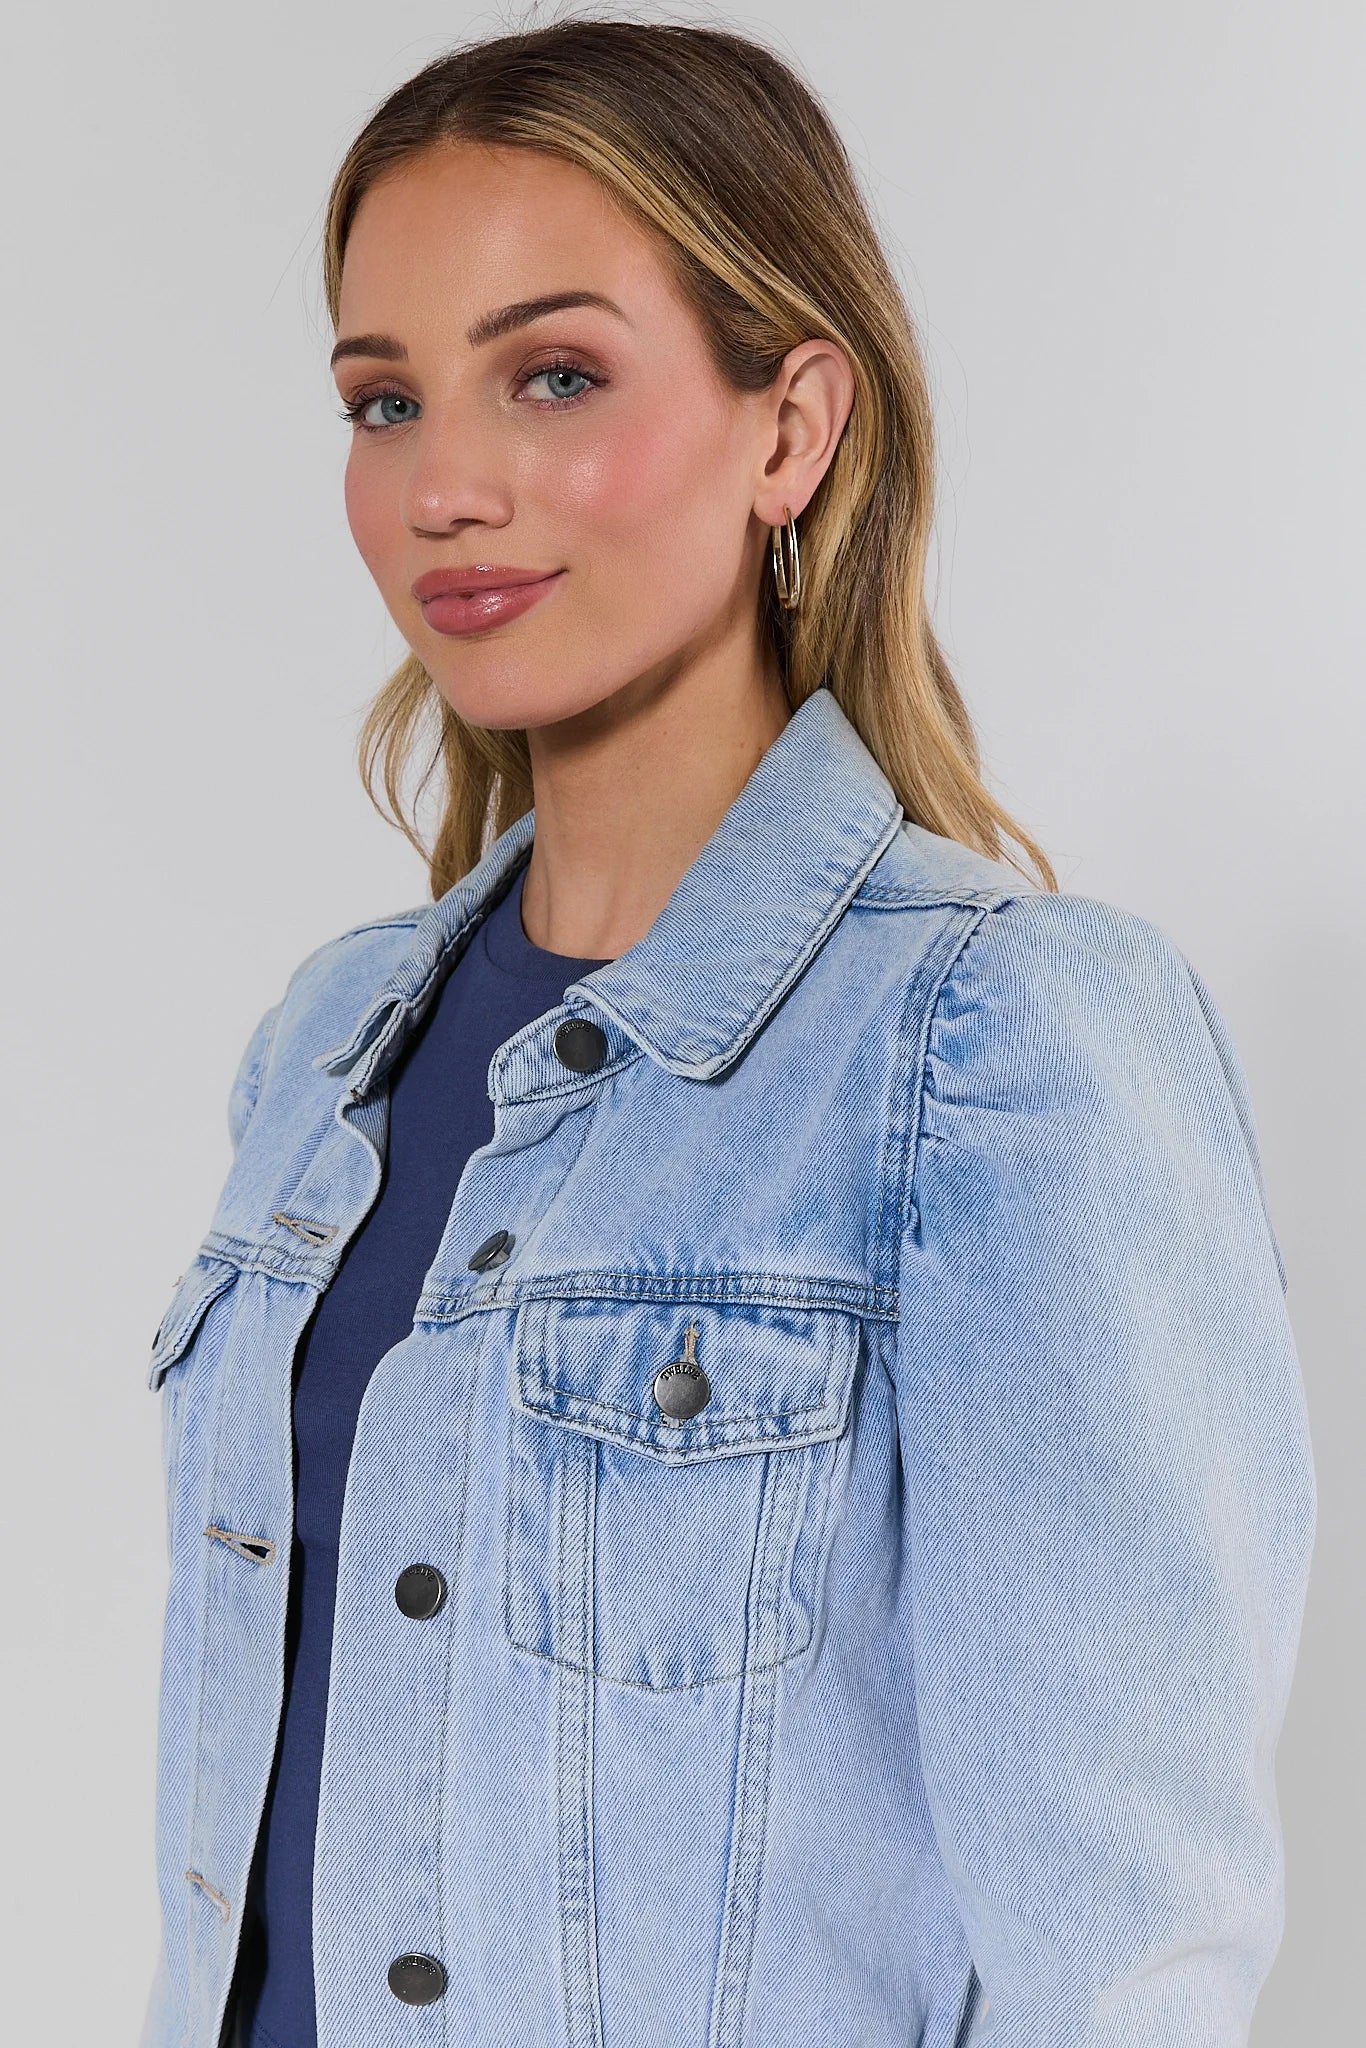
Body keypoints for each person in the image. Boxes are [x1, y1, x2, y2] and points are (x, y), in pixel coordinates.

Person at [137, 20, 1316, 2048]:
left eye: (556, 375)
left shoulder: (997, 1043)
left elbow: (1124, 1964)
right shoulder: (324, 1048)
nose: (446, 486)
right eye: (383, 399)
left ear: (793, 428)